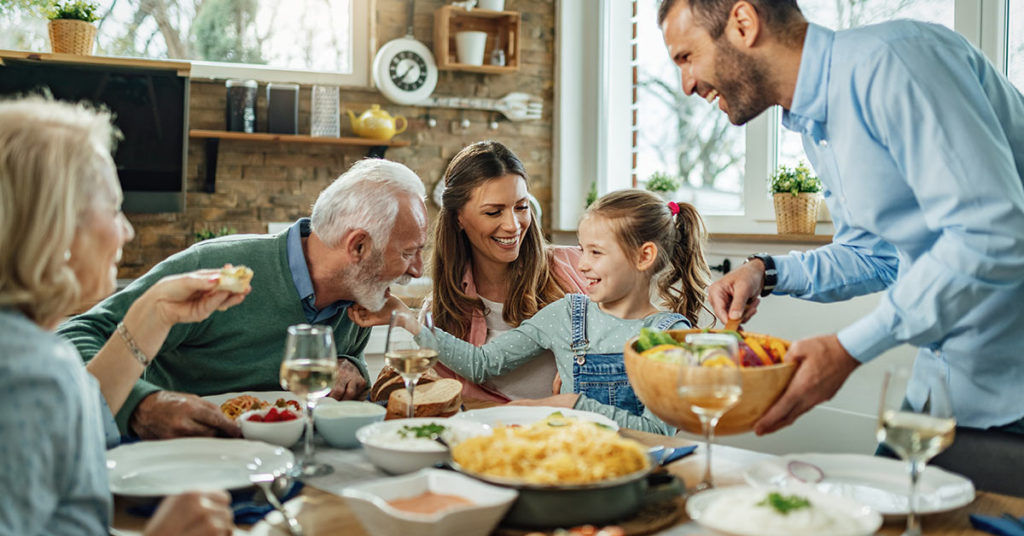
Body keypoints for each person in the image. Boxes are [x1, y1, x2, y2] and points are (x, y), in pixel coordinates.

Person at [658, 0, 1024, 437]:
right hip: (947, 386)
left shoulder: (896, 62)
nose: (686, 84)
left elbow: (992, 234)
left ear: (743, 22)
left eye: (687, 56)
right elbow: (877, 256)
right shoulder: (819, 123)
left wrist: (848, 349)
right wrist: (765, 271)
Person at [0, 96, 238, 535]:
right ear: (56, 227)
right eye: (113, 208)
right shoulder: (29, 372)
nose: (126, 230)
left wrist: (156, 311)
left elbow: (78, 426)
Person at [59, 157, 428, 439]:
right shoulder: (216, 267)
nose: (417, 270)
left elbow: (343, 374)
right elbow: (74, 338)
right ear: (358, 246)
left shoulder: (361, 296)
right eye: (410, 252)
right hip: (174, 459)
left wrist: (352, 368)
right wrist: (141, 404)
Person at [353, 189, 711, 434]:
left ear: (644, 256)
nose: (582, 265)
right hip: (564, 460)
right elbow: (482, 363)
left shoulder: (667, 335)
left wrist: (573, 404)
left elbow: (658, 431)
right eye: (582, 250)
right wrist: (406, 319)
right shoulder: (567, 314)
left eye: (596, 253)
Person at [423, 140, 586, 403]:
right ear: (458, 218)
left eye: (521, 207)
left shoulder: (578, 267)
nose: (513, 225)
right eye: (493, 212)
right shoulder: (440, 315)